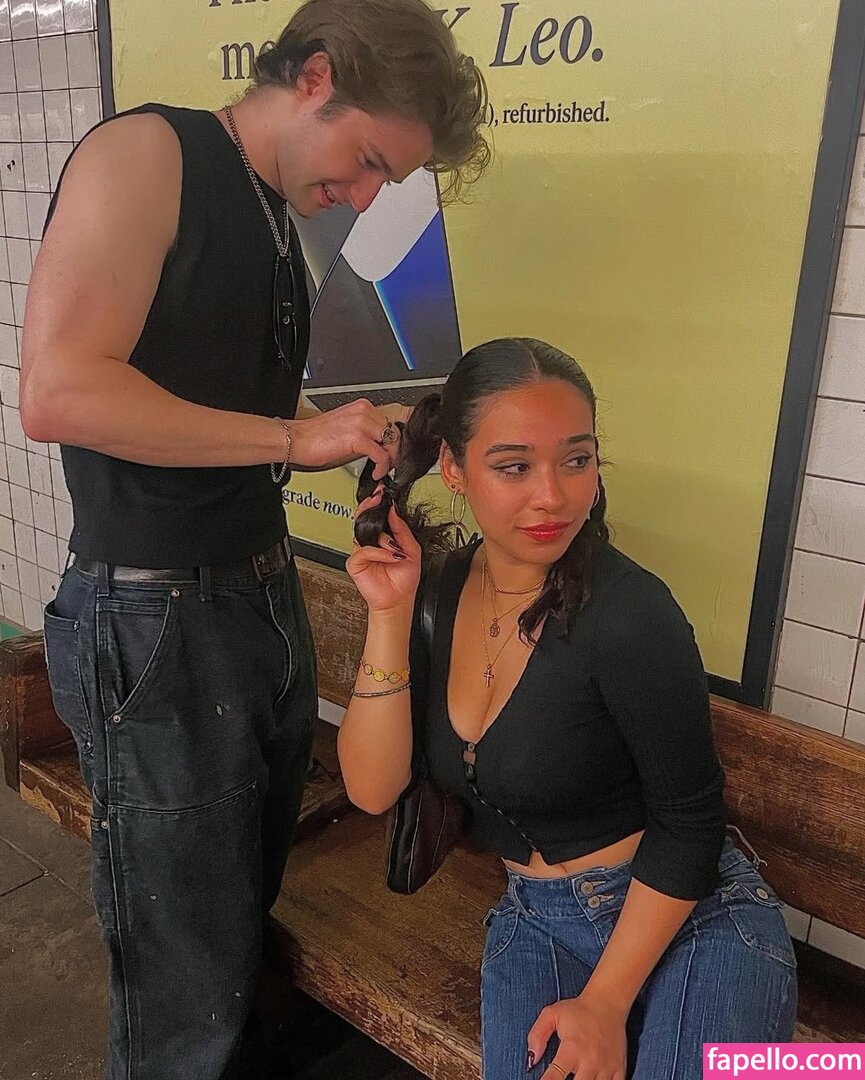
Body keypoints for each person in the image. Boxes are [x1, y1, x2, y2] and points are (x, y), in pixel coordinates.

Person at [18, 2, 489, 1077]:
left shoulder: (271, 207)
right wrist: (290, 437)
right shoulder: (148, 154)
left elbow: (203, 399)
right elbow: (59, 391)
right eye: (367, 162)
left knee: (235, 936)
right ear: (314, 76)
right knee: (185, 987)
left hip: (254, 600)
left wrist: (343, 433)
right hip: (154, 616)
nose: (362, 196)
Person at [338, 338, 797, 1080]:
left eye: (576, 460)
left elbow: (690, 822)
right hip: (537, 921)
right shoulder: (437, 592)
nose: (552, 496)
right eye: (513, 467)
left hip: (688, 916)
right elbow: (371, 788)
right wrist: (389, 613)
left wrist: (605, 1004)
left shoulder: (630, 614)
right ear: (454, 468)